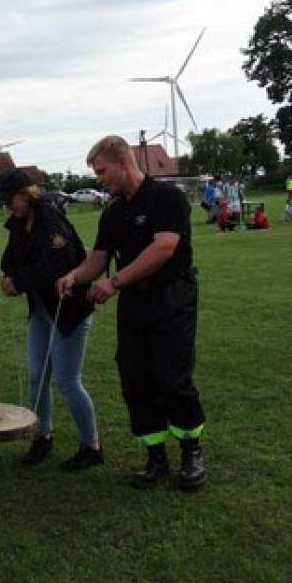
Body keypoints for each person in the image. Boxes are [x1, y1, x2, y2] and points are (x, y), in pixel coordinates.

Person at [57, 135, 207, 492]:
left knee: (173, 378)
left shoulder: (166, 198)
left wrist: (114, 282)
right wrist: (74, 277)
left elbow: (164, 248)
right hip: (135, 304)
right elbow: (98, 259)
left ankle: (191, 451)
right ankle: (155, 457)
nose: (98, 179)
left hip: (172, 297)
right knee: (135, 380)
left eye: (102, 171)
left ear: (123, 164)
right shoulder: (113, 213)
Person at [0, 168, 102, 471]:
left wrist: (19, 282)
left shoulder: (51, 220)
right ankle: (42, 436)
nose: (8, 206)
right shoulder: (18, 223)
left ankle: (91, 445)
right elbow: (10, 259)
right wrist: (8, 277)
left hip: (68, 309)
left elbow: (55, 263)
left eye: (11, 199)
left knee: (67, 381)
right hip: (41, 309)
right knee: (36, 376)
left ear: (26, 194)